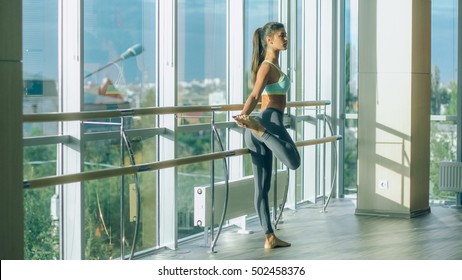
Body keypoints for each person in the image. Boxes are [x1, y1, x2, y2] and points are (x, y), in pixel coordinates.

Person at [233, 22, 301, 249]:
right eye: (282, 35)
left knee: (262, 187)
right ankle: (257, 128)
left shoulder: (274, 65)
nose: (286, 38)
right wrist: (245, 116)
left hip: (263, 124)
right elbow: (254, 94)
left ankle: (269, 237)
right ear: (269, 40)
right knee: (293, 161)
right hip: (267, 124)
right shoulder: (267, 66)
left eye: (286, 34)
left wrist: (248, 119)